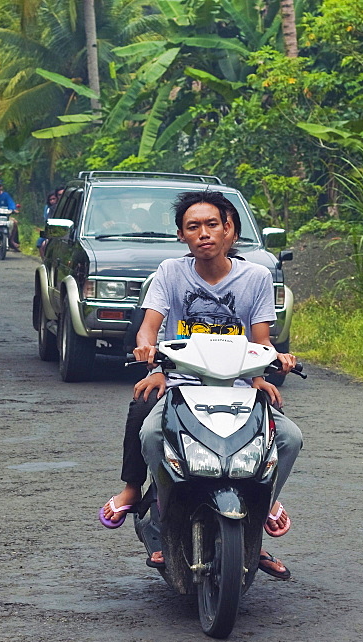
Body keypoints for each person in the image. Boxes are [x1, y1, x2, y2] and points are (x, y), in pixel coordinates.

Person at [99, 190, 301, 580]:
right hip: (180, 383)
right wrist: (151, 360)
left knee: (289, 437)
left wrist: (266, 371)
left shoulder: (256, 277)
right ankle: (150, 511)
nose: (204, 233)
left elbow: (261, 339)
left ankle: (262, 509)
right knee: (151, 432)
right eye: (194, 227)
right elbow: (149, 328)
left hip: (237, 385)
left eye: (213, 224)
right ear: (182, 235)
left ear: (229, 230)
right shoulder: (170, 272)